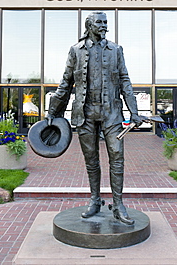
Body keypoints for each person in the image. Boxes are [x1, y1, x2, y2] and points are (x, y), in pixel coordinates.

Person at [47, 11, 142, 225]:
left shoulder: (116, 50)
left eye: (106, 22)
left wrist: (133, 111)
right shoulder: (75, 50)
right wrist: (52, 112)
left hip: (112, 114)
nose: (104, 26)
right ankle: (95, 200)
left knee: (117, 157)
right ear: (89, 25)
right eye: (100, 22)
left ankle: (118, 205)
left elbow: (125, 80)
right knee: (91, 161)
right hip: (85, 113)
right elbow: (65, 83)